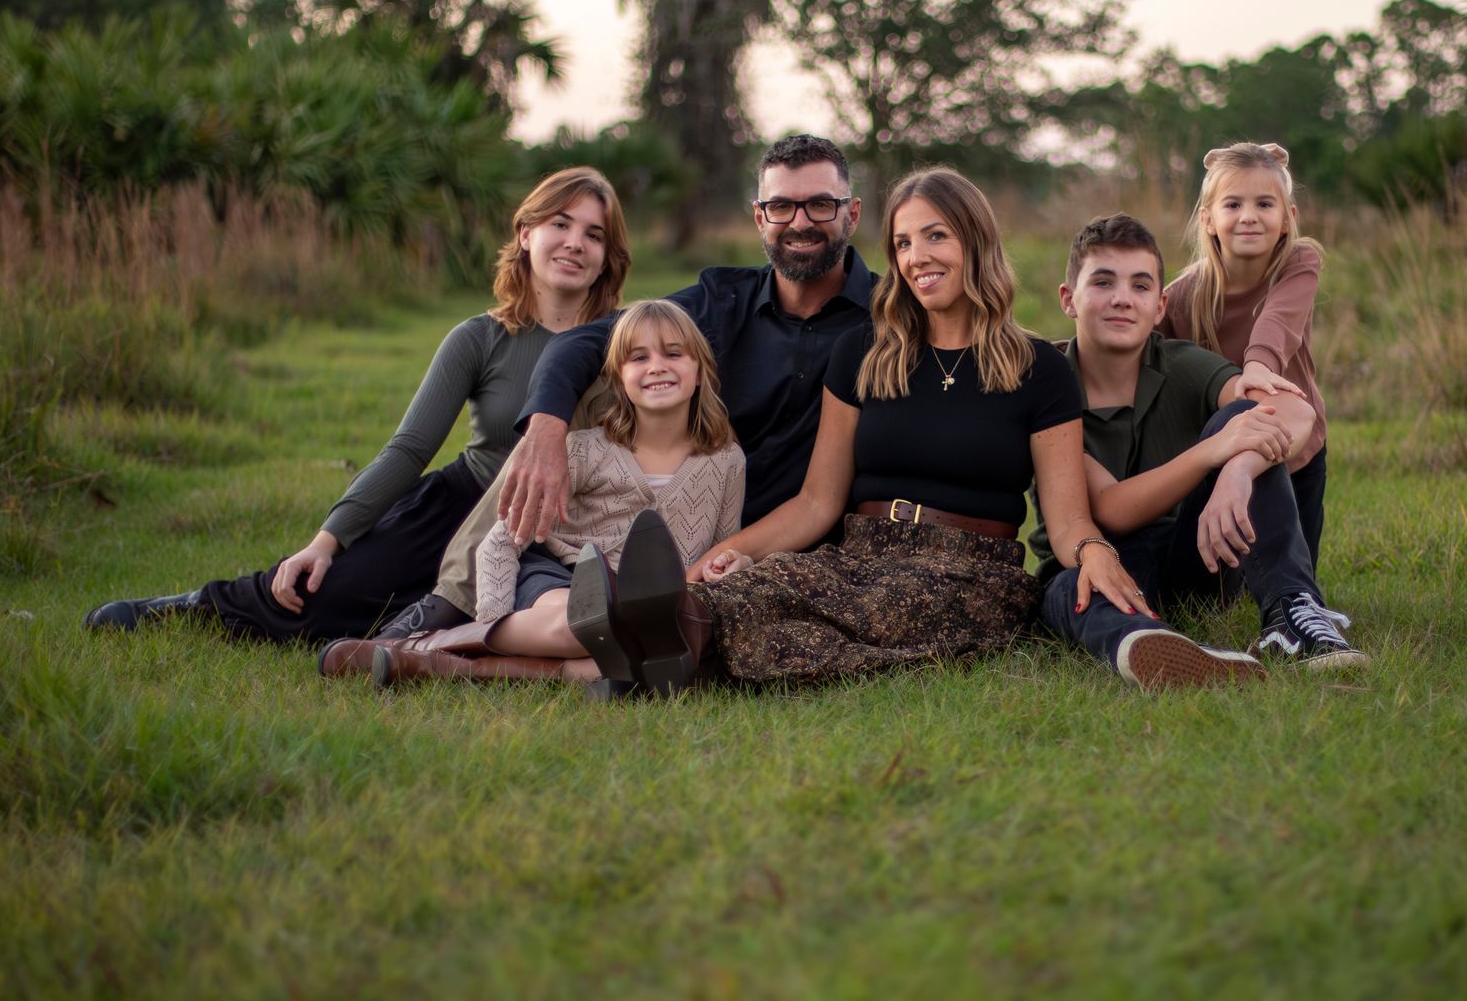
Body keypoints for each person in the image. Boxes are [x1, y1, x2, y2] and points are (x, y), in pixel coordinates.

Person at [567, 167, 1264, 697]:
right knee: (753, 590)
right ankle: (632, 640)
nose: (917, 256)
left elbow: (1065, 513)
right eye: (902, 242)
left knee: (858, 609)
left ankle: (650, 651)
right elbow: (817, 504)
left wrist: (1092, 552)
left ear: (974, 242)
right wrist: (724, 552)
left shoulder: (1038, 371)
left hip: (968, 571)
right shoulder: (864, 353)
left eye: (935, 235)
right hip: (859, 553)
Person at [82, 167, 631, 644]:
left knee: (480, 625)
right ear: (526, 231)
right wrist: (327, 539)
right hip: (459, 508)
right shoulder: (479, 339)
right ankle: (192, 607)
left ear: (608, 258)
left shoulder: (625, 347)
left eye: (593, 234)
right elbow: (410, 449)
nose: (575, 243)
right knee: (323, 600)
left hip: (568, 526)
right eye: (560, 223)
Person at [369, 134, 879, 638]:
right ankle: (451, 600)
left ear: (851, 214)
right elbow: (585, 341)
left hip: (772, 536)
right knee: (617, 374)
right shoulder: (721, 299)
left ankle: (484, 634)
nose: (800, 223)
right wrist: (545, 430)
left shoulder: (889, 316)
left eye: (819, 206)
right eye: (782, 207)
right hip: (667, 511)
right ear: (759, 217)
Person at [319, 300, 744, 693]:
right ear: (617, 377)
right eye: (639, 357)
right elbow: (502, 541)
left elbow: (725, 548)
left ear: (701, 369)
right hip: (559, 578)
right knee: (581, 622)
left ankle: (441, 666)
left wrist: (733, 564)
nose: (657, 367)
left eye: (674, 354)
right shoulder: (584, 451)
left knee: (617, 661)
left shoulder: (726, 461)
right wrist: (490, 617)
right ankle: (439, 645)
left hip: (653, 609)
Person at [1034, 213, 1366, 671]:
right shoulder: (1049, 385)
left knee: (1246, 415)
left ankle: (1291, 615)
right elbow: (1109, 508)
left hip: (1191, 558)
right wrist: (1213, 452)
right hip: (1092, 558)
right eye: (1104, 283)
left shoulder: (1182, 363)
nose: (1122, 300)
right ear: (1069, 299)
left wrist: (1237, 470)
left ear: (1160, 305)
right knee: (1069, 589)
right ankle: (1151, 646)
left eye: (1140, 286)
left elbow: (1295, 411)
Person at [1163, 142, 1330, 569]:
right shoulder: (1186, 294)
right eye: (1233, 204)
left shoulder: (1298, 261)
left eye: (1264, 203)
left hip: (1295, 443)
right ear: (1209, 220)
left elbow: (1278, 319)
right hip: (1224, 440)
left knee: (1297, 567)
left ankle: (1295, 605)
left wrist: (1258, 365)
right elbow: (1133, 338)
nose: (1249, 216)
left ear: (1288, 218)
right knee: (1228, 568)